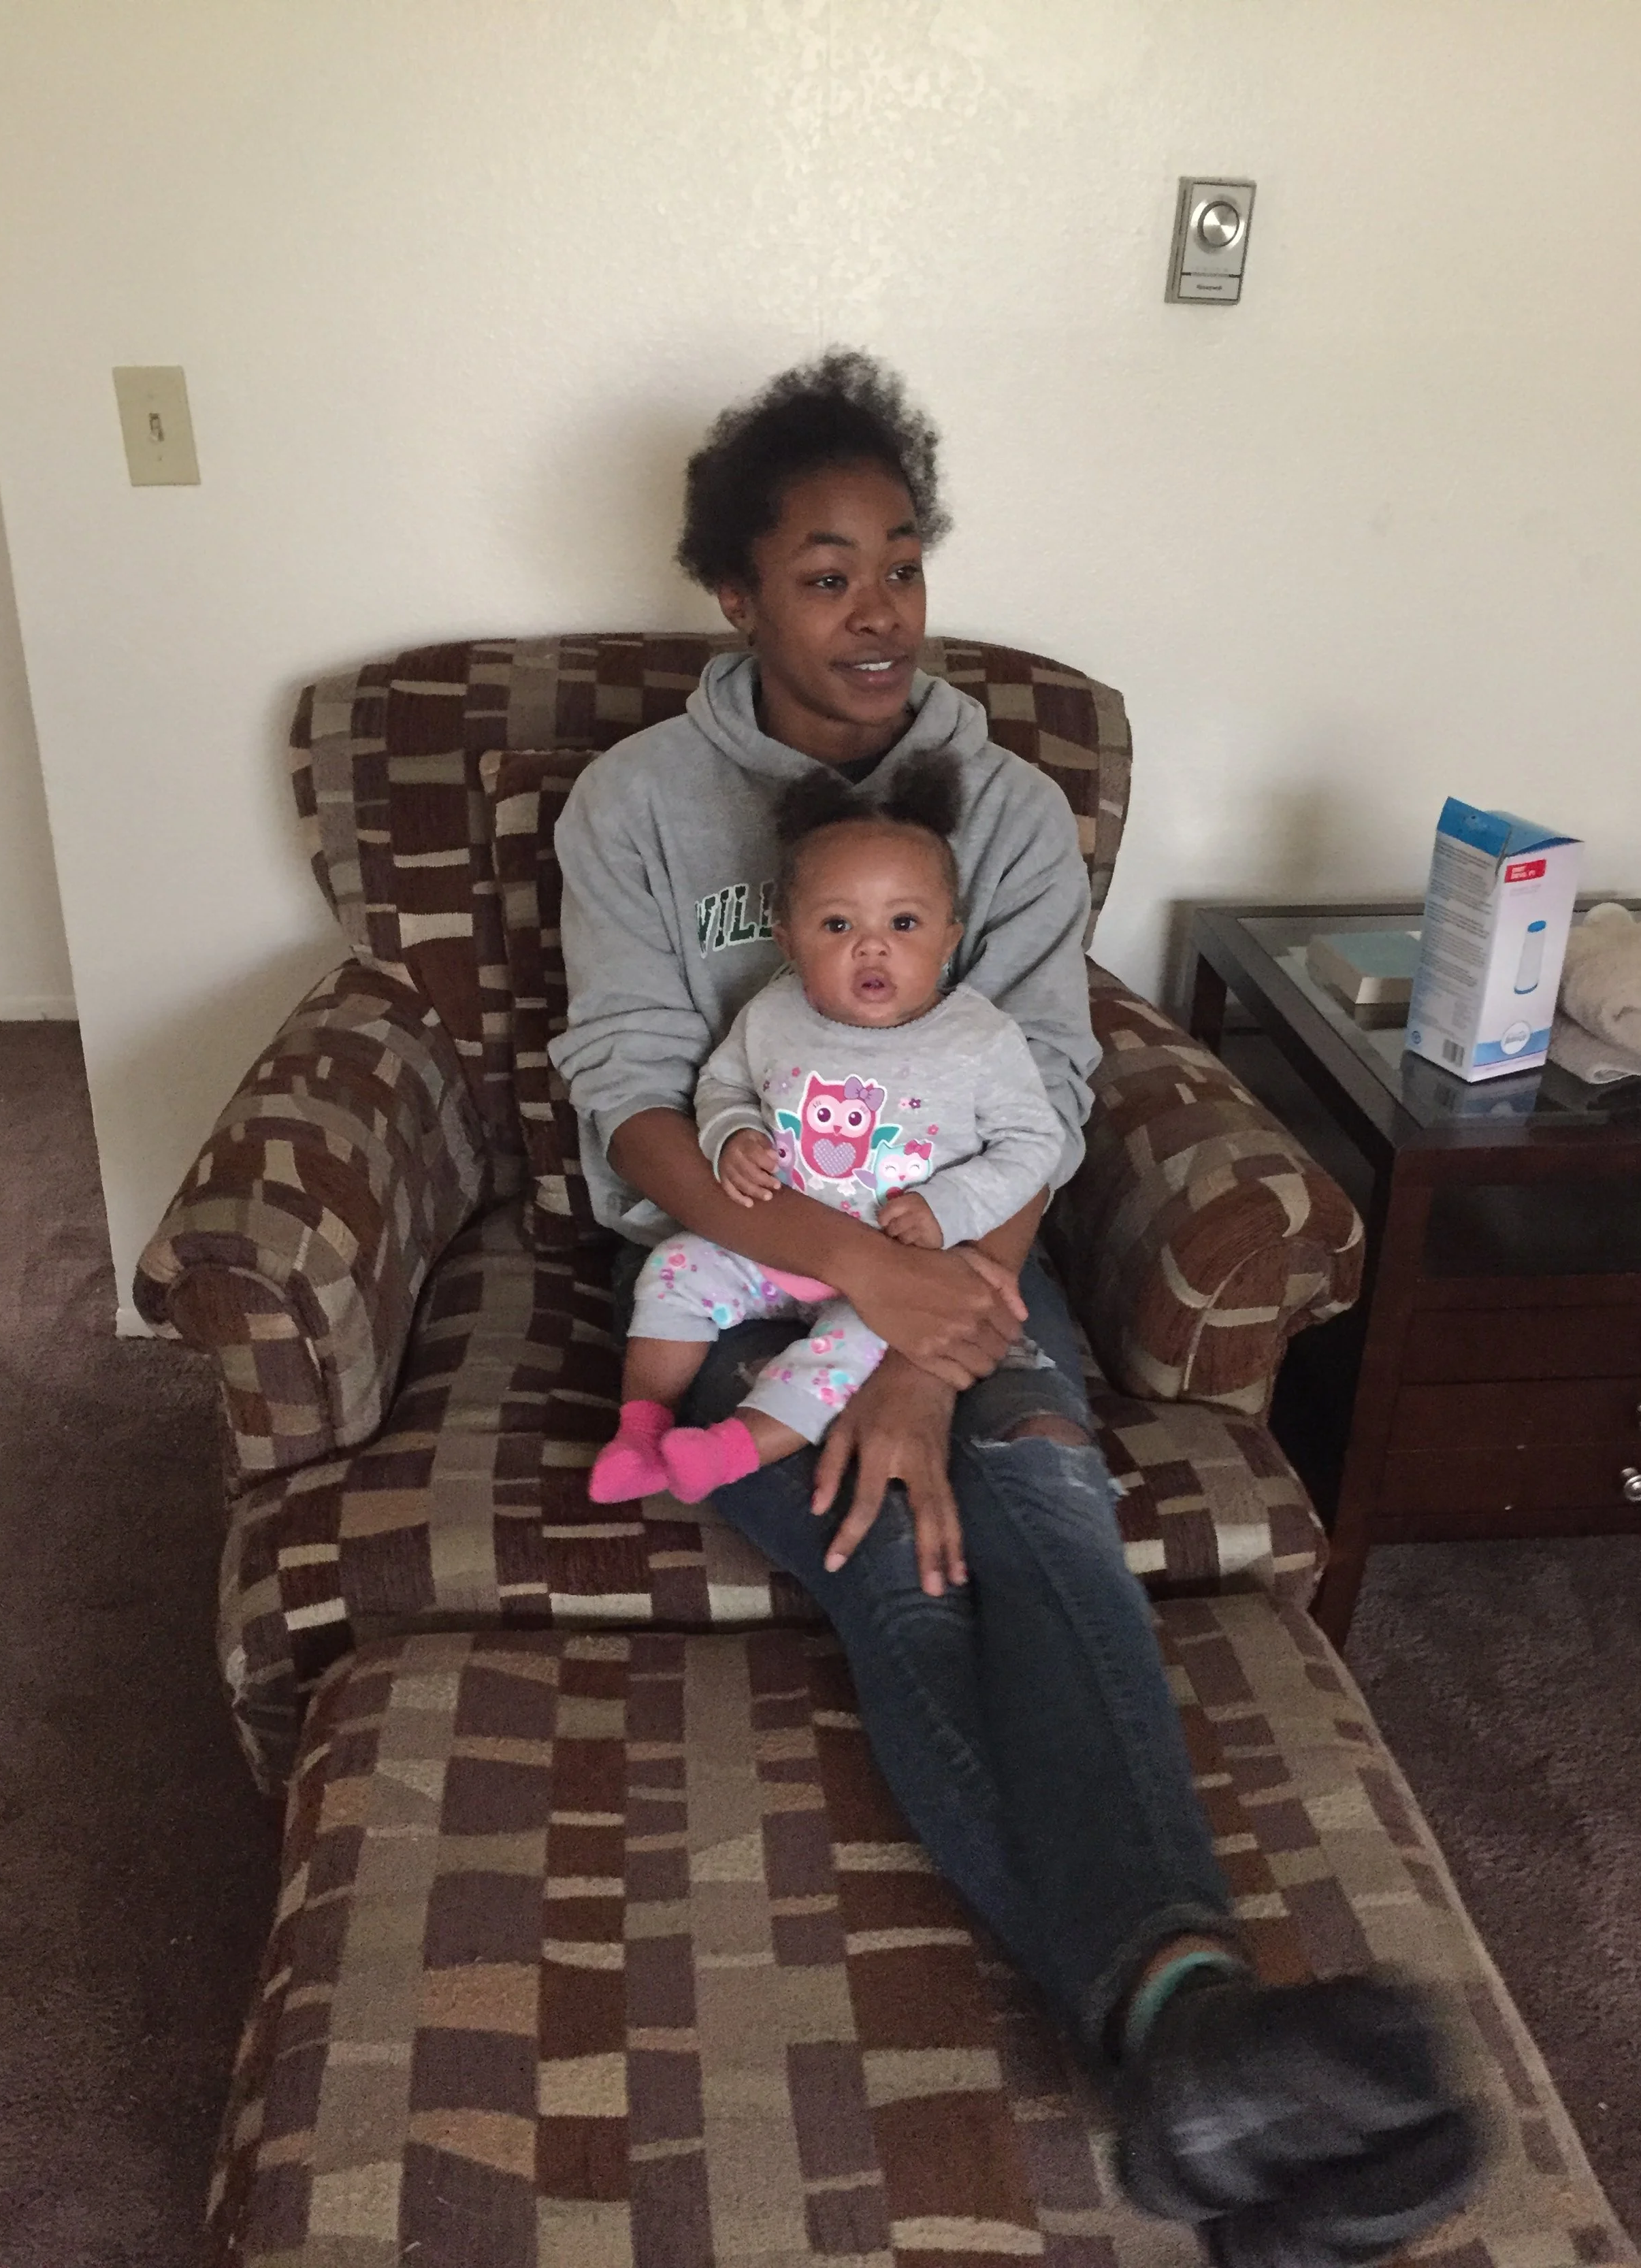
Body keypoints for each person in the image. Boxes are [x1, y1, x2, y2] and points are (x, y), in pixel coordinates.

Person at [551, 350, 1480, 2265]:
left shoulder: (1004, 802)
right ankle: (1183, 2035)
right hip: (726, 1283)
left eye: (902, 561)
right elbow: (632, 1093)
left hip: (972, 1272)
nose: (877, 608)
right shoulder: (638, 804)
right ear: (735, 593)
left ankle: (1192, 2063)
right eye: (825, 571)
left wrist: (911, 1342)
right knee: (902, 1563)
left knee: (1036, 1497)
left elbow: (1050, 1089)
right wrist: (846, 1284)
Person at [588, 751, 1064, 1507]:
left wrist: (951, 1210)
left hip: (892, 1268)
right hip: (771, 1244)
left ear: (949, 937)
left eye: (904, 923)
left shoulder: (979, 1038)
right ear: (788, 940)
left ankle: (731, 1450)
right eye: (837, 924)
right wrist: (732, 1133)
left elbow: (1037, 1146)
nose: (871, 946)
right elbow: (723, 1082)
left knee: (840, 1357)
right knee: (673, 1271)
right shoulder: (773, 1013)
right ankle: (640, 1430)